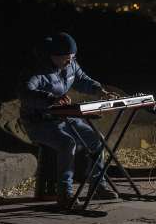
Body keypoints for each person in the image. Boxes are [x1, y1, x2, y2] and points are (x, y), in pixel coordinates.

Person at [18, 32, 118, 207]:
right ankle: (65, 194)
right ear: (53, 56)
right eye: (66, 58)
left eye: (72, 57)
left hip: (64, 118)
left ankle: (98, 186)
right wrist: (50, 99)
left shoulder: (70, 65)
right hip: (39, 122)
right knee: (67, 143)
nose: (70, 62)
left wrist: (100, 90)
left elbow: (82, 79)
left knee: (97, 139)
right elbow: (25, 94)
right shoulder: (36, 70)